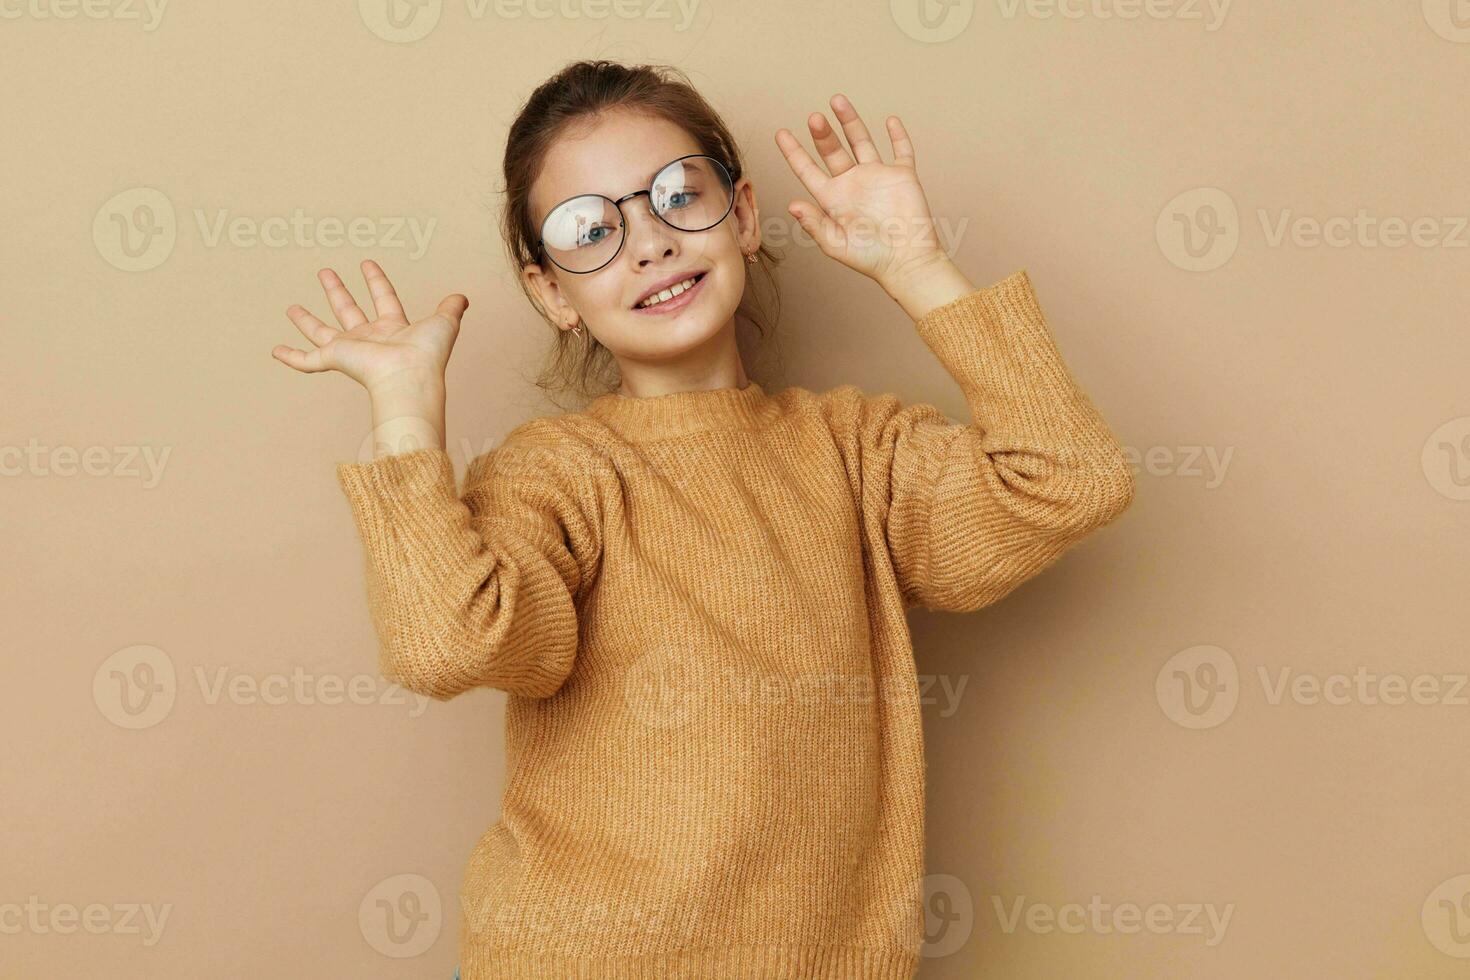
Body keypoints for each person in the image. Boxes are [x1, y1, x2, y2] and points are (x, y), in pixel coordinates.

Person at [271, 59, 1135, 980]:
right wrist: (405, 413)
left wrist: (921, 268)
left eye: (680, 195)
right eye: (590, 229)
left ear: (745, 215)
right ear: (552, 293)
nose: (648, 243)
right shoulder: (557, 474)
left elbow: (1070, 480)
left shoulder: (855, 451)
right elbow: (444, 643)